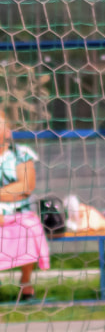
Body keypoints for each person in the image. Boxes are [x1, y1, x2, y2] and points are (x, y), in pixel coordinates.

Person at [0, 112, 45, 302]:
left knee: (29, 228)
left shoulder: (21, 153)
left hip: (19, 213)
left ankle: (25, 282)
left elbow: (25, 186)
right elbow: (16, 187)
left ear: (8, 130)